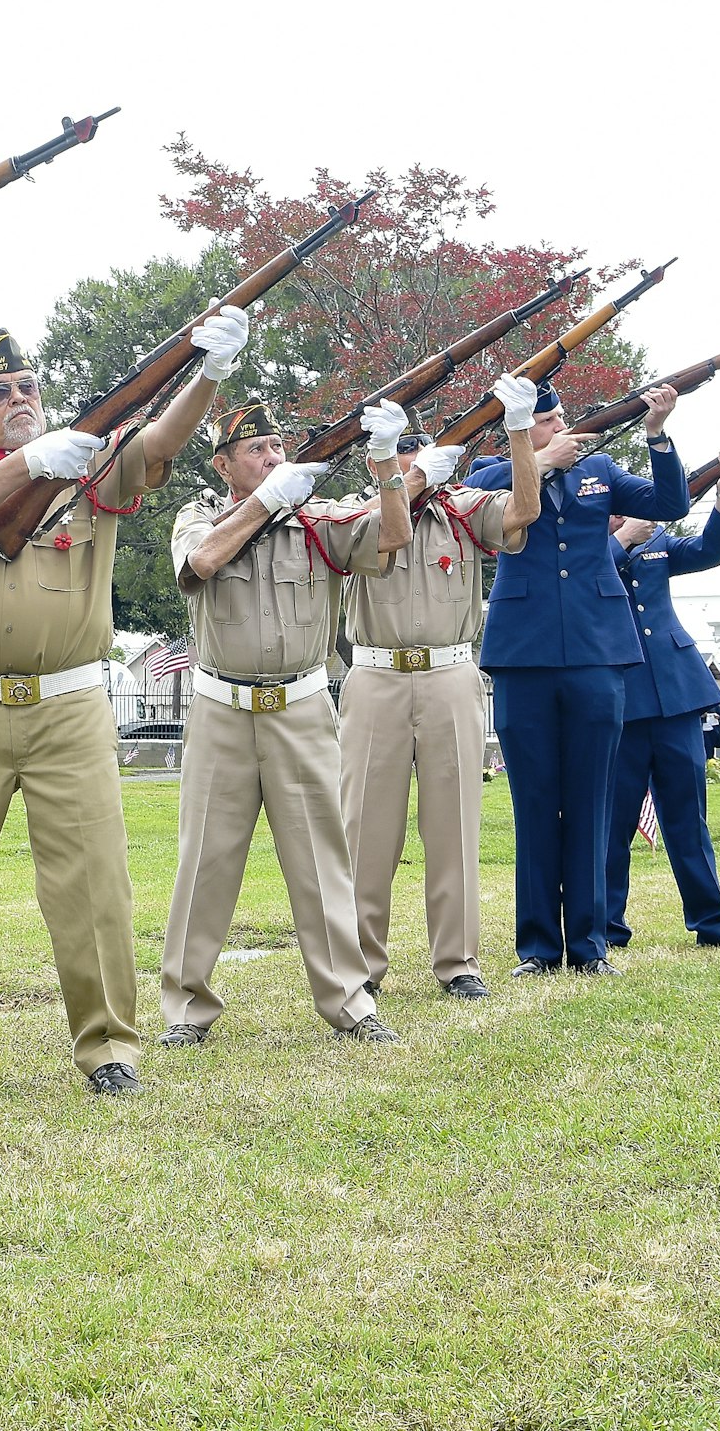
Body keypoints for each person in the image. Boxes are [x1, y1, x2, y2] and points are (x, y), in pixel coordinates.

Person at [0, 312, 242, 1096]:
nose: (18, 399)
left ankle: (109, 1046)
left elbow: (162, 444)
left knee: (93, 882)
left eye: (29, 387)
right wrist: (29, 462)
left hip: (69, 705)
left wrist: (207, 370)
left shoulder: (91, 459)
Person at [156, 396, 408, 1047]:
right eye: (256, 451)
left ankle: (350, 1003)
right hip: (222, 711)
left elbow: (392, 536)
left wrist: (386, 462)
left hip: (298, 707)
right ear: (222, 466)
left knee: (322, 862)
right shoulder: (200, 515)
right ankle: (186, 1007)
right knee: (205, 863)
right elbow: (201, 563)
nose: (273, 459)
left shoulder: (316, 518)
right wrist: (268, 501)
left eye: (277, 449)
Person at [462, 378, 689, 977]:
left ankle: (588, 945)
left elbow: (671, 505)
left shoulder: (603, 469)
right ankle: (537, 947)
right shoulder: (491, 471)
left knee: (592, 798)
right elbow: (469, 500)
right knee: (533, 800)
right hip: (525, 653)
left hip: (596, 650)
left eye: (562, 419)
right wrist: (533, 461)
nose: (562, 428)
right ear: (521, 428)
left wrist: (657, 434)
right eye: (547, 422)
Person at [338, 374, 543, 1002]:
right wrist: (396, 475)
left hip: (451, 672)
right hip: (375, 675)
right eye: (396, 456)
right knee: (367, 828)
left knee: (454, 824)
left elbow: (522, 512)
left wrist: (518, 432)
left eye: (415, 455)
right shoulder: (354, 513)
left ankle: (457, 961)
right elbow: (376, 521)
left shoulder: (461, 510)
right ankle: (362, 964)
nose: (407, 467)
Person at [603, 448, 720, 950]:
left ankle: (714, 924)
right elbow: (591, 576)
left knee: (688, 818)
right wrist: (623, 538)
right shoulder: (585, 547)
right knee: (614, 822)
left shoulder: (658, 539)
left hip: (675, 695)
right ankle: (606, 927)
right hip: (619, 700)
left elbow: (709, 552)